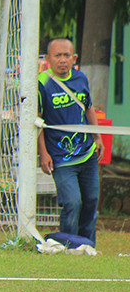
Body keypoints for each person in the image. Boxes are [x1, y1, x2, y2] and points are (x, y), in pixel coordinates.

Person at [37, 37, 102, 247]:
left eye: (67, 55)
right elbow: (37, 122)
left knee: (91, 201)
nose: (62, 60)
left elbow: (88, 107)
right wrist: (43, 153)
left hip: (87, 153)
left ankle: (87, 245)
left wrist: (97, 136)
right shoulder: (42, 83)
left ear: (74, 58)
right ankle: (68, 244)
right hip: (61, 158)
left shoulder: (81, 78)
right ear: (48, 59)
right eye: (57, 55)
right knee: (72, 202)